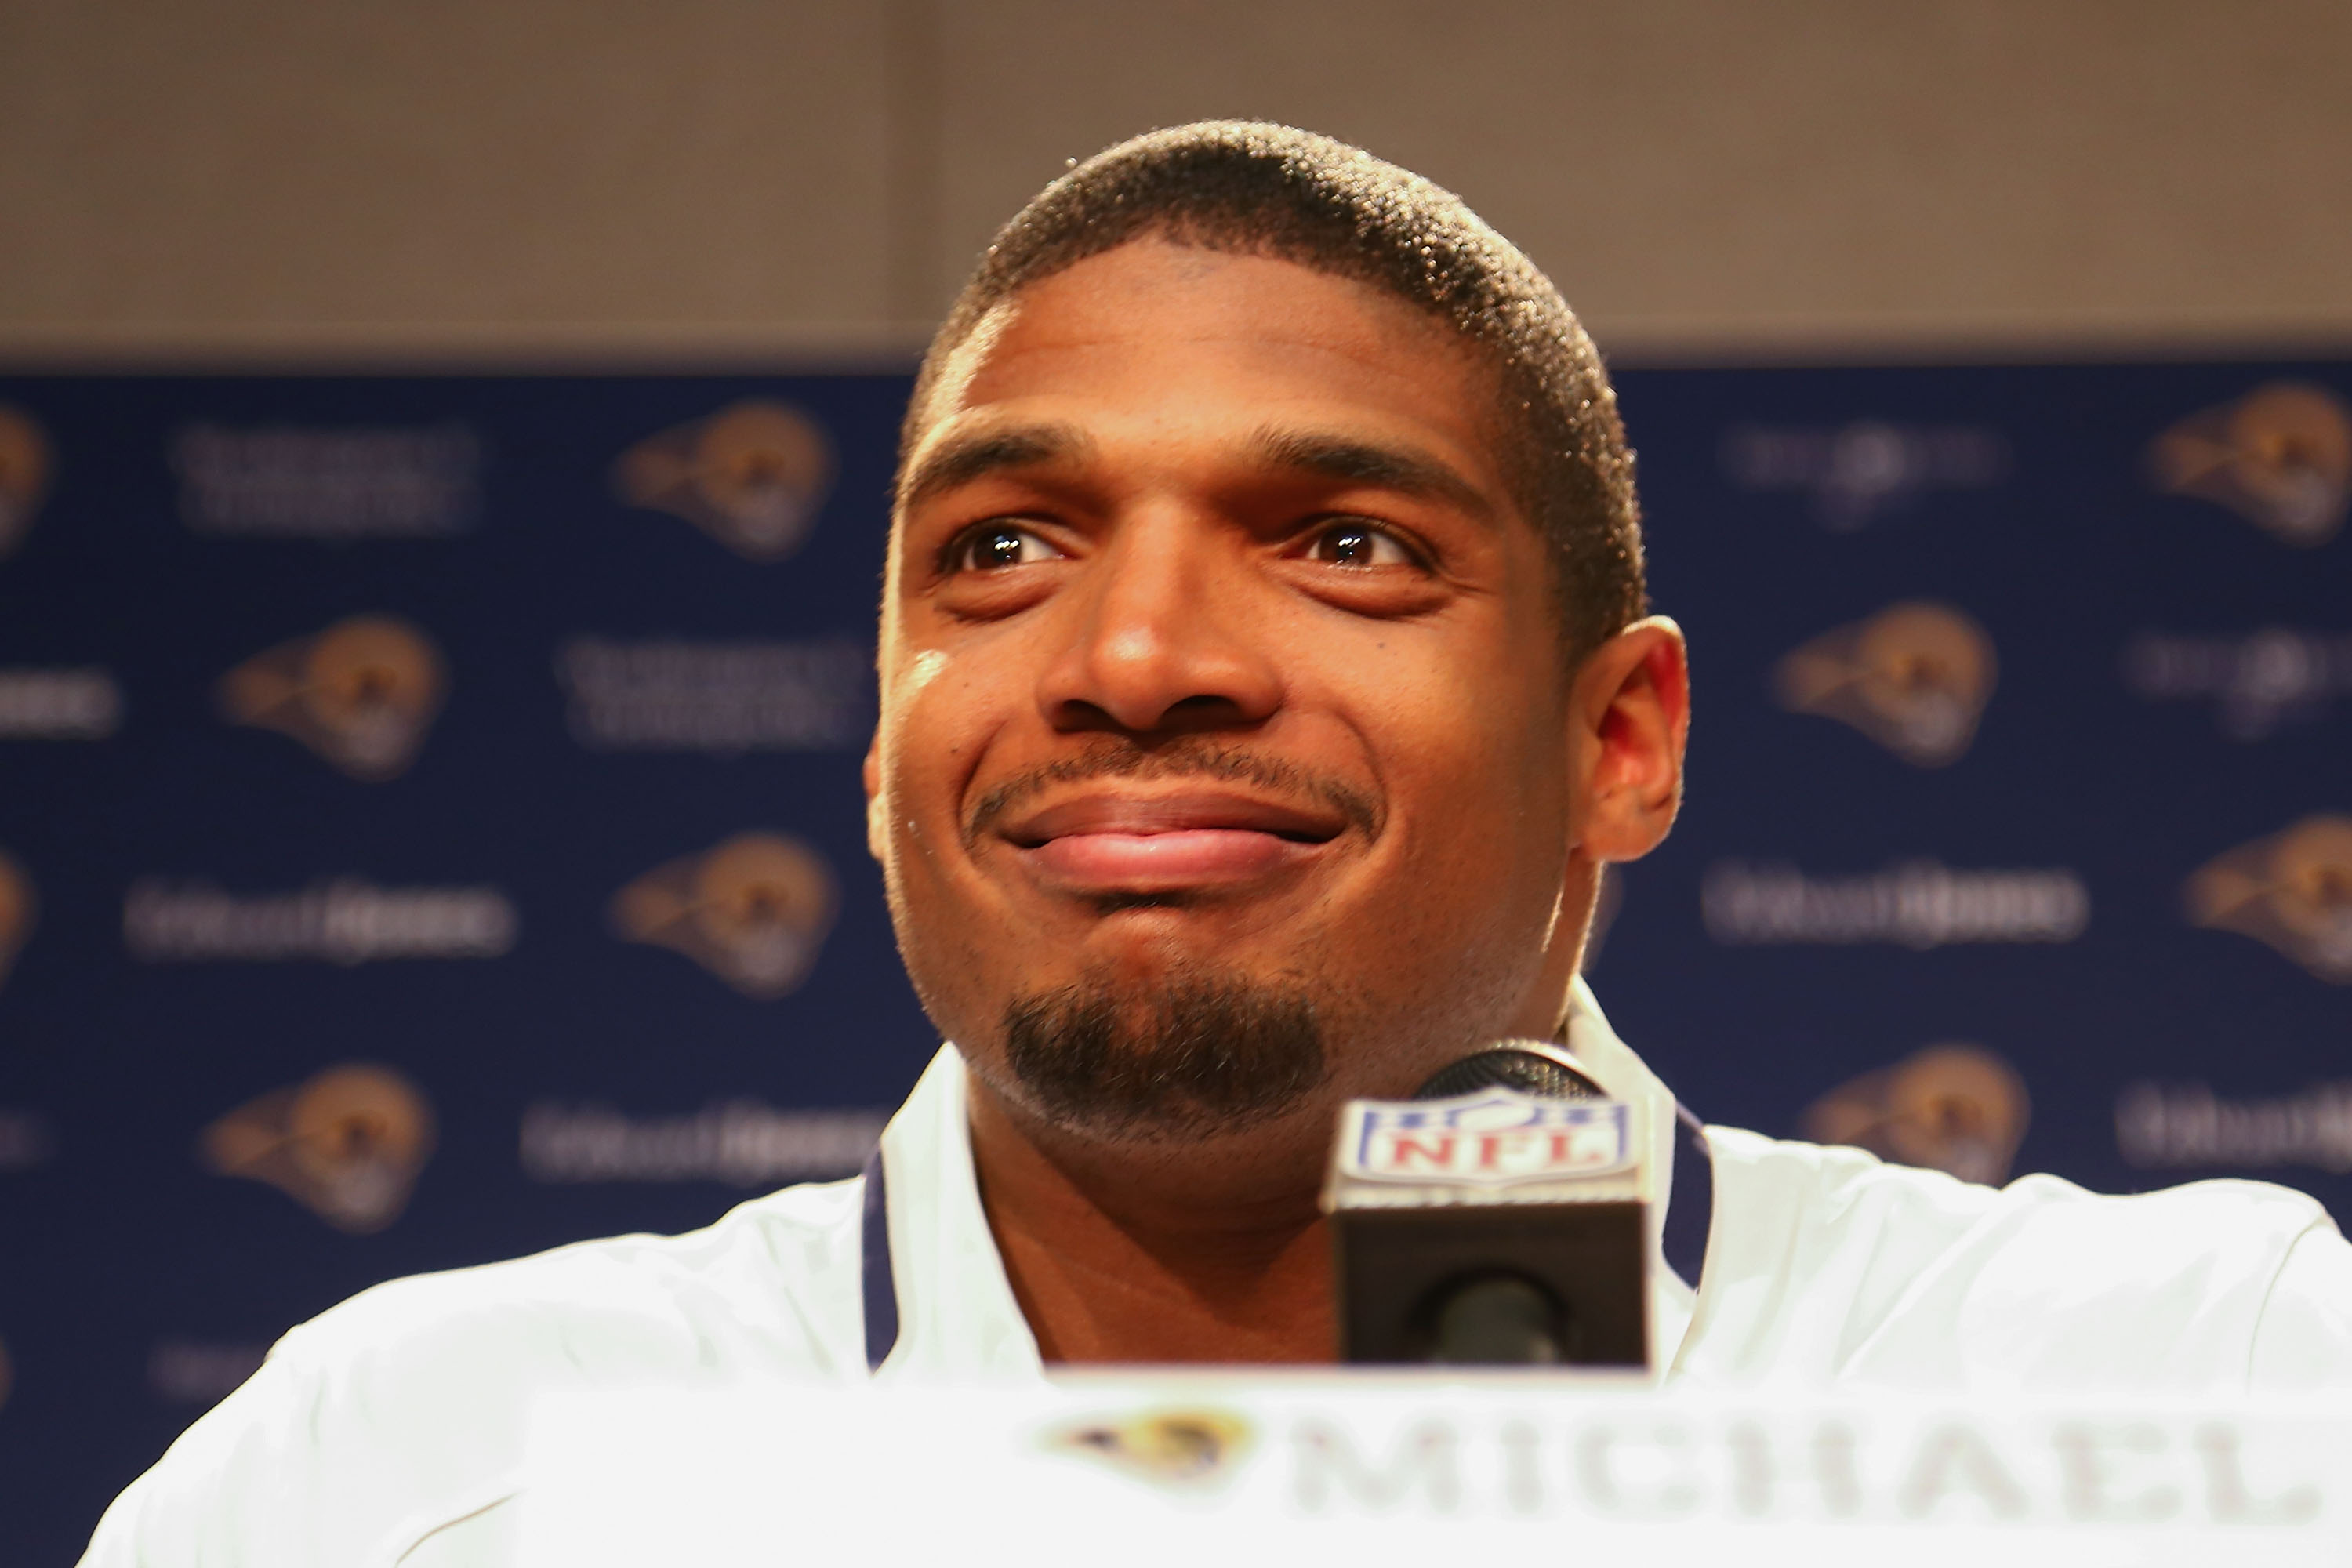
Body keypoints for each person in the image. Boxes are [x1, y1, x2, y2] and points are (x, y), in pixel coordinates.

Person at [82, 121, 2352, 1566]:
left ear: (1625, 741)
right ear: (880, 746)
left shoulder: (2202, 1407)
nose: (1136, 648)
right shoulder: (404, 1481)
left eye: (1345, 542)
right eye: (1000, 550)